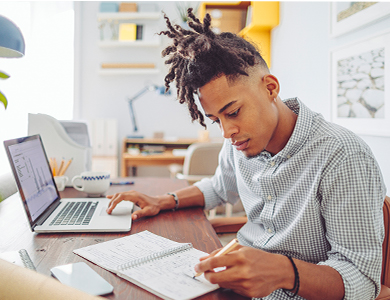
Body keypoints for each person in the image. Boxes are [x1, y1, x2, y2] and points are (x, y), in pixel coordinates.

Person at [106, 9, 386, 300]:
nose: (226, 132)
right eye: (216, 120)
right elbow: (218, 188)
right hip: (237, 288)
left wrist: (283, 272)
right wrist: (164, 200)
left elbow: (363, 281)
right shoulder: (238, 141)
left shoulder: (342, 156)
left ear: (270, 88)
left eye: (234, 112)